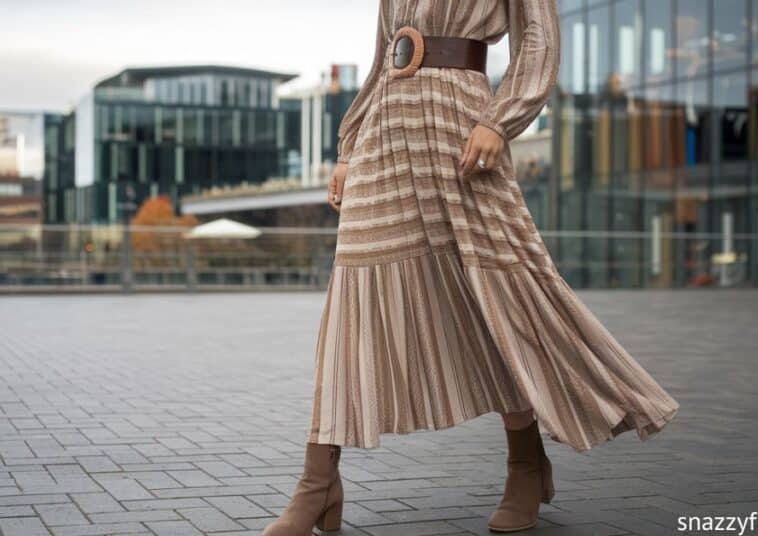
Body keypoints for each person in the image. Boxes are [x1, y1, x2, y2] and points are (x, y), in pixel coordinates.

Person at [263, 0, 679, 534]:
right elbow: (382, 58)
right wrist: (348, 148)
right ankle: (317, 481)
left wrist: (501, 122)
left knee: (493, 294)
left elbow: (539, 39)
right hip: (385, 131)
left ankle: (527, 464)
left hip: (461, 128)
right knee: (353, 300)